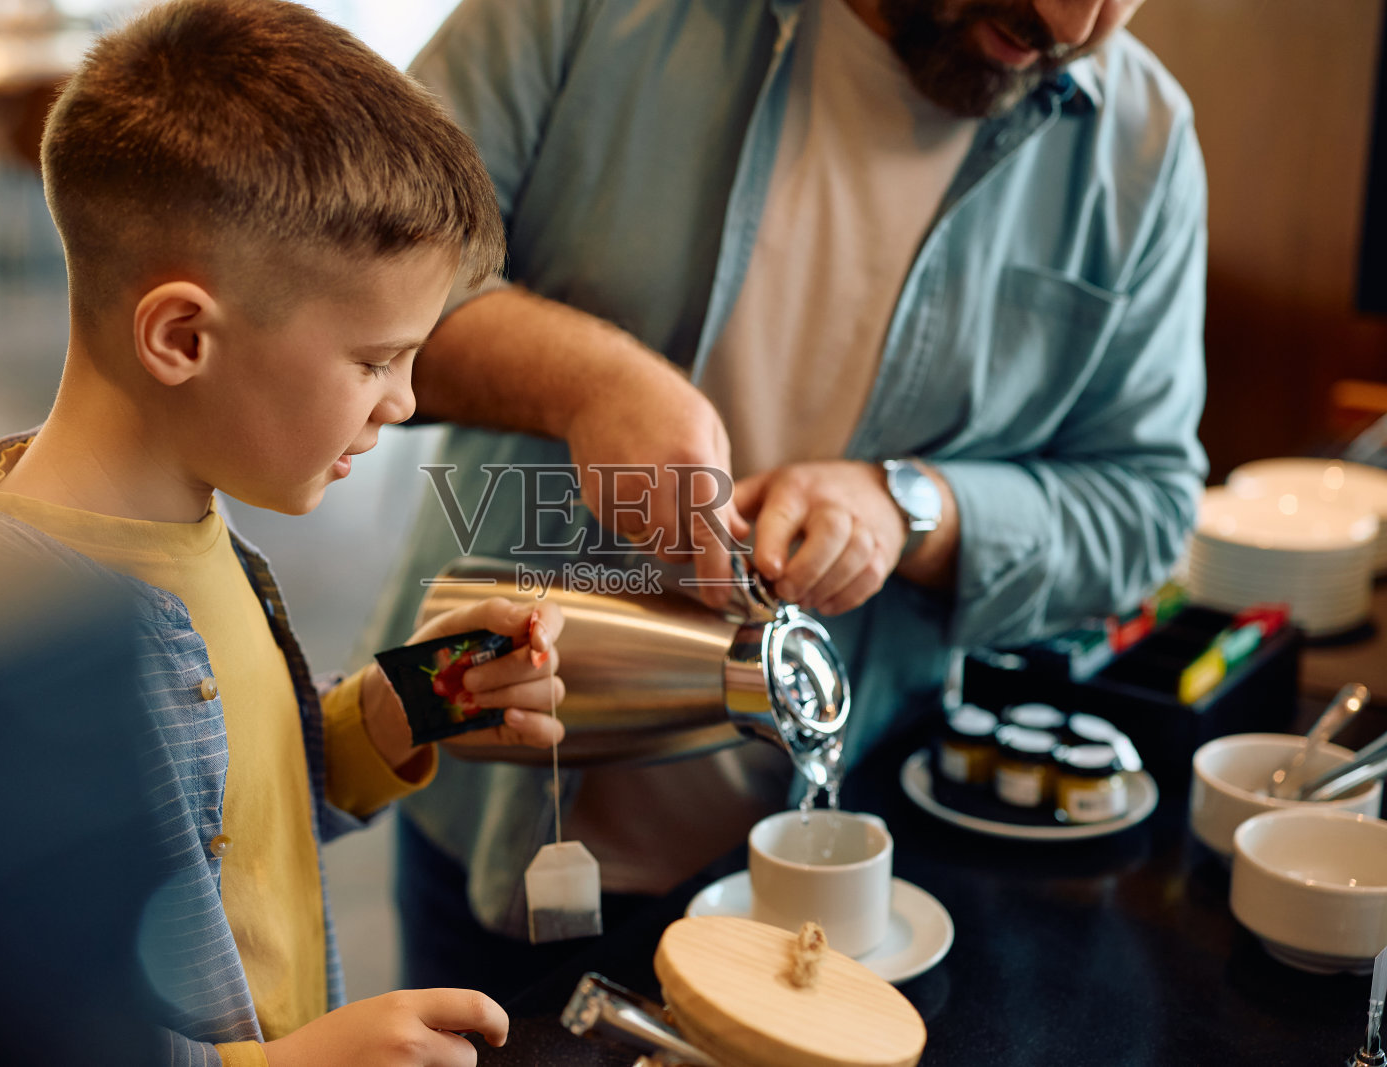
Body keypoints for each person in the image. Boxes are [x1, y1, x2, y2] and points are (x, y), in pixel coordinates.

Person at [374, 0, 1207, 999]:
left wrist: (914, 509)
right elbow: (337, 276)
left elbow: (1146, 502)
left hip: (858, 871)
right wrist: (585, 383)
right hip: (487, 811)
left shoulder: (1141, 143)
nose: (1074, 22)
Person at [0, 2, 570, 1063]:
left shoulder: (191, 519)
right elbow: (12, 1017)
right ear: (182, 336)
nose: (405, 401)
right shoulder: (3, 664)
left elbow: (241, 813)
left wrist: (398, 709)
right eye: (374, 360)